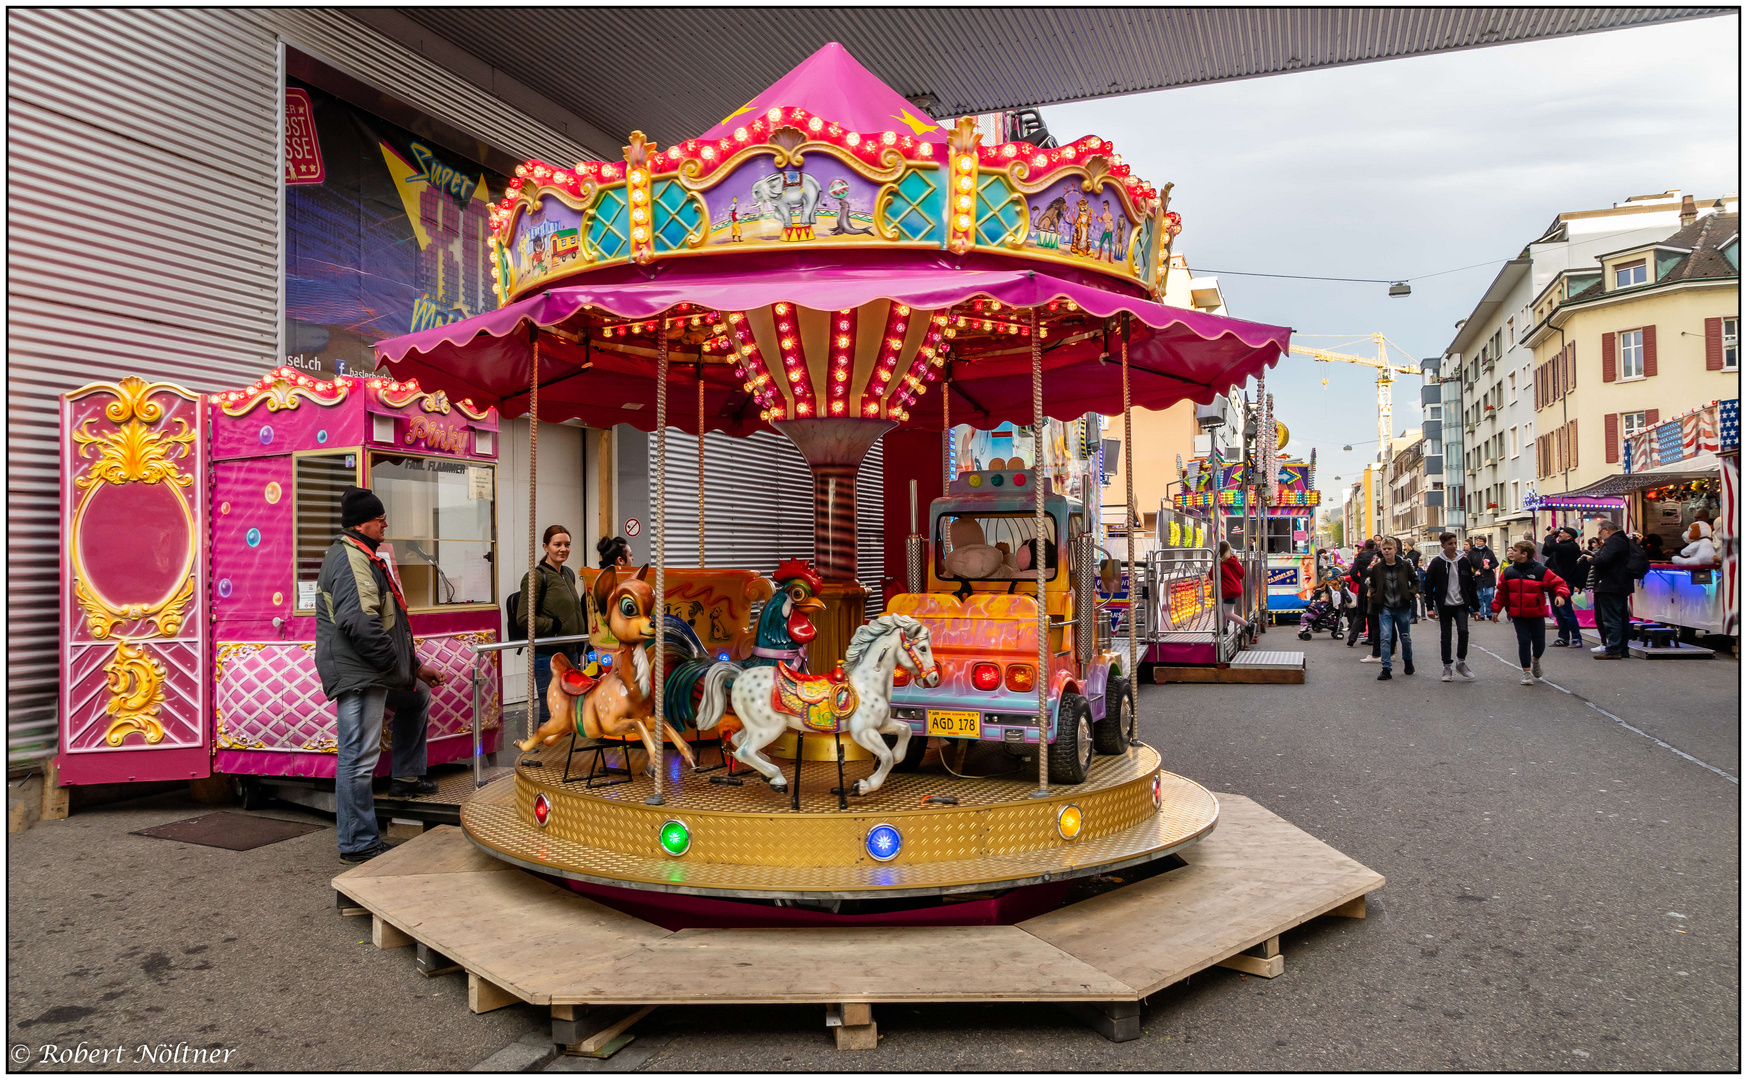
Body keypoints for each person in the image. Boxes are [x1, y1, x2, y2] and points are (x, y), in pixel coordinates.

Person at [315, 486, 447, 864]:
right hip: (361, 673)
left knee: (417, 695)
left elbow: (388, 623)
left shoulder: (365, 556)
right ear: (361, 522)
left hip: (373, 668)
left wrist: (415, 670)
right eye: (379, 518)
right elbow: (360, 623)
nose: (384, 524)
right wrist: (395, 666)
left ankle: (406, 776)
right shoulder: (351, 559)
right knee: (357, 757)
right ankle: (357, 843)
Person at [520, 525, 586, 728]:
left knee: (568, 709)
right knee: (551, 712)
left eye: (567, 544)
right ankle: (541, 752)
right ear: (545, 547)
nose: (563, 549)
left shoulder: (568, 574)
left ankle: (562, 754)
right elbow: (524, 618)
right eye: (557, 544)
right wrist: (555, 626)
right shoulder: (537, 576)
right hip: (548, 656)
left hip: (571, 652)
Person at [1492, 540, 1572, 684]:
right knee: (1523, 641)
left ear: (1524, 554)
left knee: (1539, 643)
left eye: (1515, 551)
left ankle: (1535, 661)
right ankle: (1526, 673)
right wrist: (1496, 609)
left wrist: (1560, 595)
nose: (1511, 553)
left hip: (1536, 613)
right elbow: (1501, 593)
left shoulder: (1540, 570)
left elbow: (1559, 583)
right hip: (1517, 614)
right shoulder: (1509, 571)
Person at [1425, 532, 1477, 681]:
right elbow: (1429, 585)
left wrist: (1476, 608)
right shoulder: (1437, 563)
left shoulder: (1464, 561)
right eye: (1450, 544)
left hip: (1461, 604)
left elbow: (1471, 586)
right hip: (1445, 604)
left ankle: (1461, 662)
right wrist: (1429, 607)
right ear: (1443, 545)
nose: (1454, 546)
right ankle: (1447, 666)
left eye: (1455, 543)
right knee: (1446, 635)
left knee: (1464, 631)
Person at [1367, 537, 1418, 680]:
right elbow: (1373, 584)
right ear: (1381, 551)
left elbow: (1415, 581)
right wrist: (1375, 595)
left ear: (1395, 550)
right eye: (1384, 549)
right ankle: (1386, 668)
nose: (1387, 551)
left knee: (1405, 637)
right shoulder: (1377, 568)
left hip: (1402, 607)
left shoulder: (1405, 565)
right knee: (1385, 637)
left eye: (1389, 549)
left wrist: (1410, 594)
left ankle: (1408, 661)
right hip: (1385, 607)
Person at [1588, 520, 1634, 659]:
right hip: (1620, 584)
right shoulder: (1623, 540)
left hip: (1610, 584)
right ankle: (1622, 648)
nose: (1599, 535)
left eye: (1600, 531)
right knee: (1621, 617)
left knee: (1611, 618)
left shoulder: (1613, 542)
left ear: (1607, 530)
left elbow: (1602, 560)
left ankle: (1613, 649)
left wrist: (1591, 559)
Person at [1541, 526, 1586, 647]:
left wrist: (1550, 536)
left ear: (1569, 536)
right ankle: (1563, 637)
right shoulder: (1560, 547)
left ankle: (1576, 638)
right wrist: (1554, 537)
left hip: (1564, 583)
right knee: (1557, 612)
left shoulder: (1571, 547)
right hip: (1553, 582)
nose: (1560, 534)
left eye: (1563, 533)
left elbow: (1553, 546)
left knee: (1566, 611)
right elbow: (1545, 551)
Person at [1346, 539, 1379, 655]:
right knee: (1373, 614)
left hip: (1362, 586)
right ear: (1374, 546)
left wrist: (1359, 581)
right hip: (1374, 586)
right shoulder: (1377, 556)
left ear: (1365, 546)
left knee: (1360, 613)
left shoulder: (1359, 556)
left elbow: (1353, 573)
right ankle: (1372, 638)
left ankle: (1352, 639)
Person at [1210, 541, 1247, 629]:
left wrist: (1214, 562)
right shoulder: (1235, 561)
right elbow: (1242, 574)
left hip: (1227, 590)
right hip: (1234, 588)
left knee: (1228, 613)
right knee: (1222, 609)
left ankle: (1248, 625)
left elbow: (1211, 576)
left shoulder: (1220, 564)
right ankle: (1223, 627)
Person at [1468, 537, 1500, 621]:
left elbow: (1495, 563)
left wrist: (1489, 566)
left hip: (1488, 577)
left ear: (1484, 542)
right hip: (1477, 577)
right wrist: (1474, 572)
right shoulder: (1471, 552)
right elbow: (1468, 564)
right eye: (1477, 541)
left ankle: (1489, 613)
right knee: (1479, 596)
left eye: (1481, 541)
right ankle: (1481, 614)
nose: (1478, 542)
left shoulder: (1489, 552)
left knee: (1489, 595)